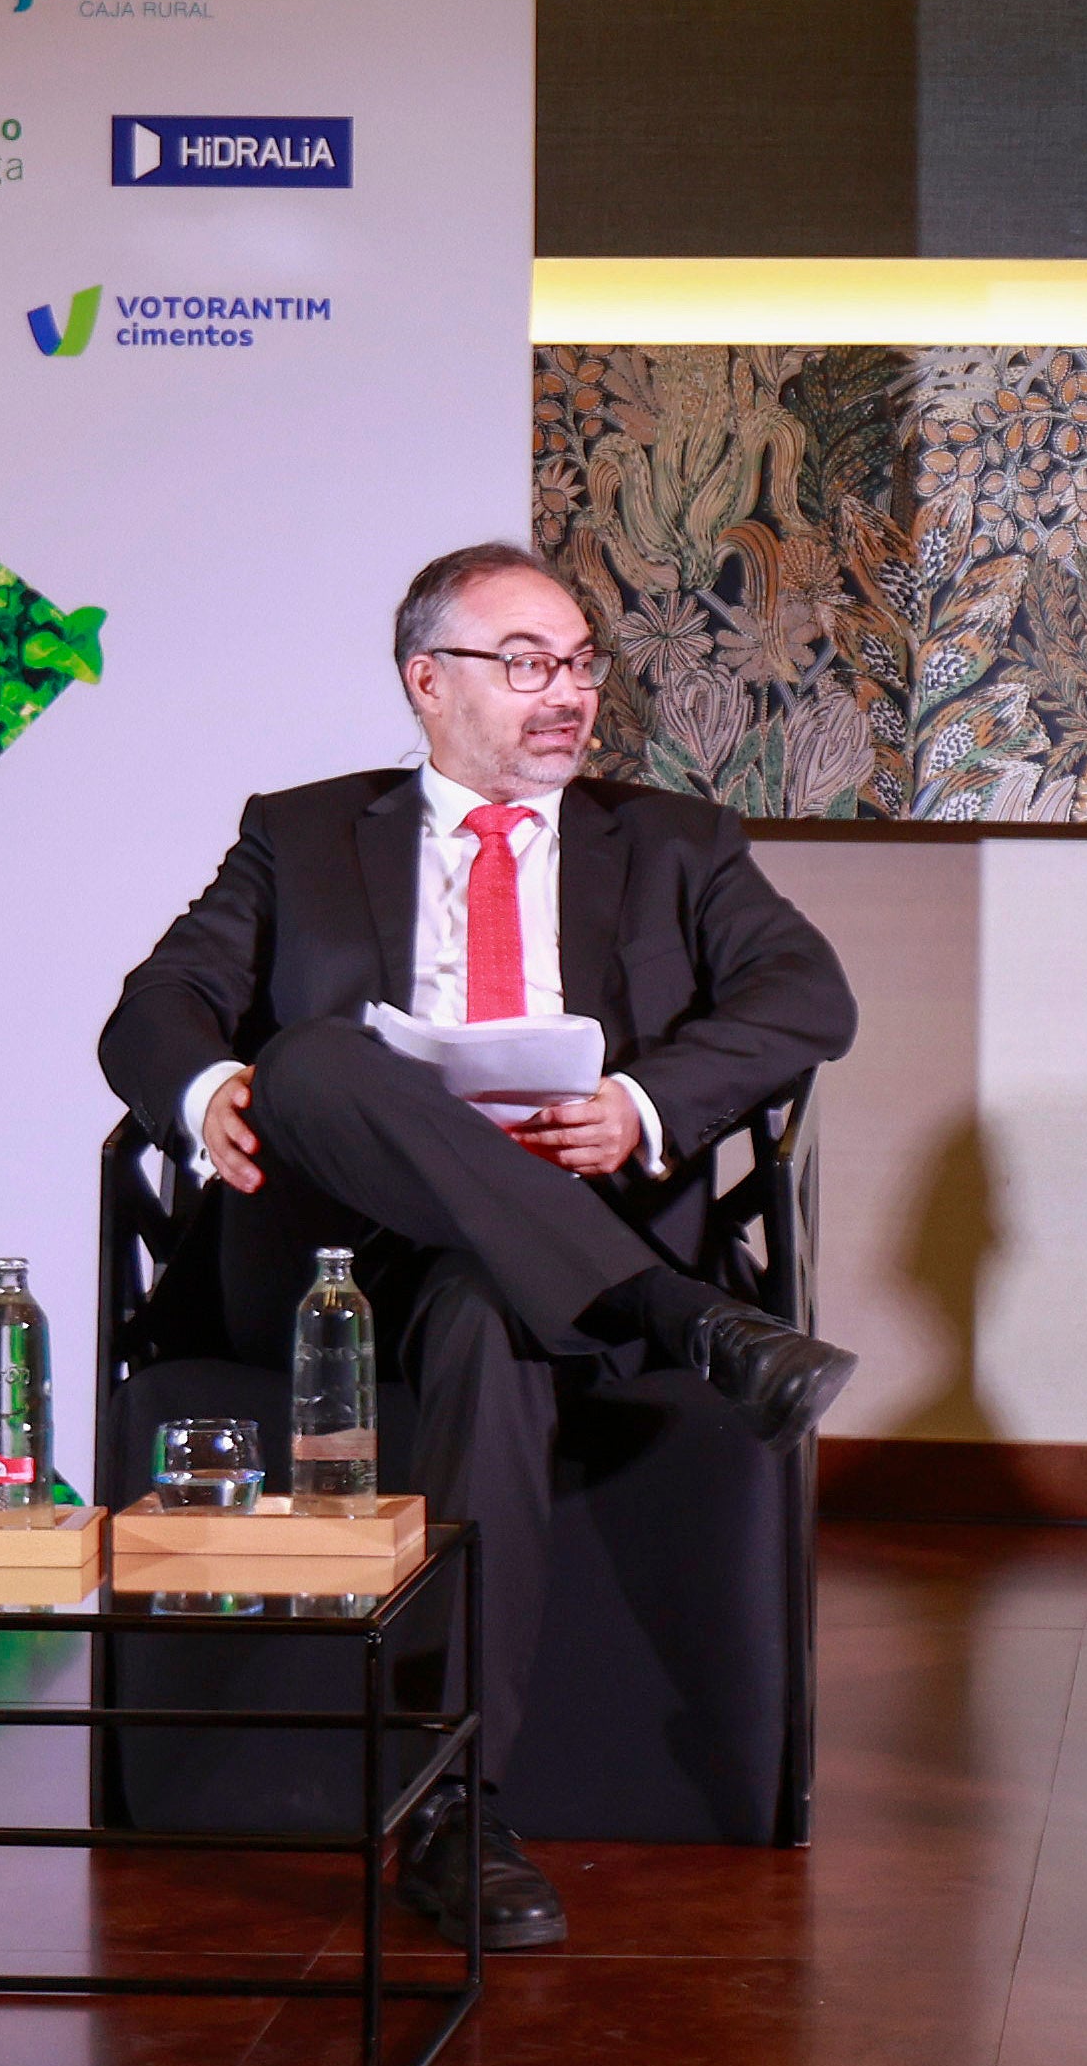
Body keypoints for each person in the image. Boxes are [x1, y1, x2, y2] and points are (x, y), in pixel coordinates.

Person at [98, 541, 860, 1950]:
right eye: (525, 665)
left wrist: (641, 1105)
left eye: (578, 663)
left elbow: (806, 998)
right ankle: (680, 1315)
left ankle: (457, 1810)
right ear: (427, 682)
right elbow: (155, 1009)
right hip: (329, 1262)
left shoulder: (675, 846)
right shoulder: (305, 832)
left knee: (488, 1315)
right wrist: (215, 1096)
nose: (564, 694)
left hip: (522, 1265)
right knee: (319, 1060)